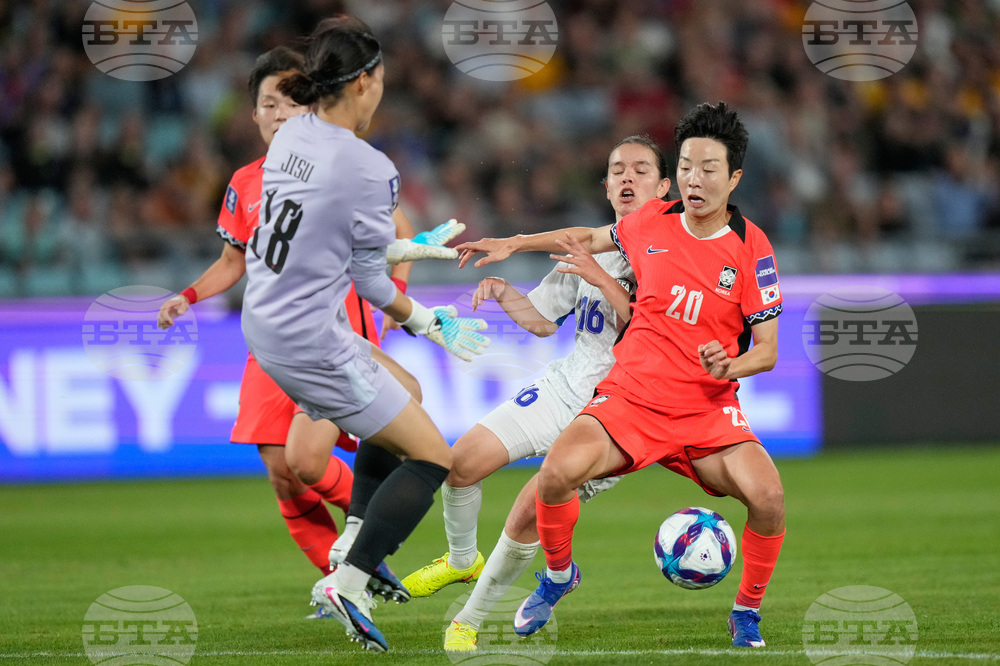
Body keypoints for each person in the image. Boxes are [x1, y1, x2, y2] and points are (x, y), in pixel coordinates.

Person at [456, 102, 785, 649]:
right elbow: (583, 235)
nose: (694, 179)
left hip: (706, 410)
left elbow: (768, 350)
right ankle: (558, 575)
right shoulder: (650, 222)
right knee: (557, 473)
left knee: (769, 499)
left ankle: (746, 611)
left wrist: (732, 364)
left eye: (708, 169)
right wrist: (515, 242)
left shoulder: (753, 249)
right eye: (685, 167)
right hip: (632, 400)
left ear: (734, 178)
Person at [155, 46, 461, 615]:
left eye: (288, 101)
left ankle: (353, 555)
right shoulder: (284, 172)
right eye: (268, 103)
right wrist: (416, 315)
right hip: (309, 335)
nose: (278, 113)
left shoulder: (317, 158)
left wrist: (402, 289)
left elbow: (390, 238)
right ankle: (351, 563)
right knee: (297, 466)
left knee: (306, 460)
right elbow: (241, 258)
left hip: (307, 329)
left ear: (309, 103)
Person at [240, 17, 489, 653]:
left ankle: (353, 540)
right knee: (434, 457)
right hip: (309, 338)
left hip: (266, 318)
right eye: (381, 81)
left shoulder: (292, 133)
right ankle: (347, 580)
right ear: (365, 83)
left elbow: (339, 247)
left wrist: (406, 250)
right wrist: (427, 321)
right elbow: (372, 281)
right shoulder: (370, 167)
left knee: (401, 398)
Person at [399, 136, 672, 653]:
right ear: (607, 185)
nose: (627, 178)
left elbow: (647, 329)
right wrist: (507, 293)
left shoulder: (670, 250)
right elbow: (545, 323)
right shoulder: (592, 247)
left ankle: (470, 618)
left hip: (622, 409)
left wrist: (597, 274)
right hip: (566, 384)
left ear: (664, 186)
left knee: (530, 506)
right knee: (461, 462)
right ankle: (461, 560)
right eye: (617, 170)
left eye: (640, 170)